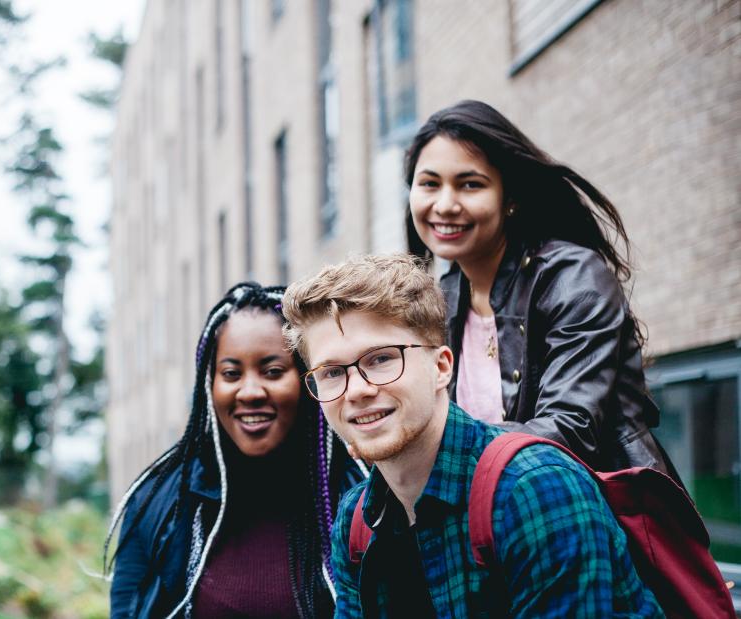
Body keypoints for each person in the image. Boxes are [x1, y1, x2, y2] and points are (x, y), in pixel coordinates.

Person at [281, 253, 663, 618]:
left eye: (381, 359)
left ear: (442, 367)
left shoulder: (534, 487)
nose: (356, 390)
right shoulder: (356, 519)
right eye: (332, 372)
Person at [404, 99, 674, 476]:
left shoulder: (572, 278)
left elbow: (568, 430)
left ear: (509, 197)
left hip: (593, 518)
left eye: (470, 184)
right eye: (429, 183)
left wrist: (427, 449)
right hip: (492, 526)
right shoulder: (442, 299)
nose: (445, 204)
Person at [106, 282, 362, 619]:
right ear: (210, 385)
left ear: (305, 379)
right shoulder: (159, 504)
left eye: (273, 371)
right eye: (231, 373)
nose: (250, 391)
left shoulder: (356, 498)